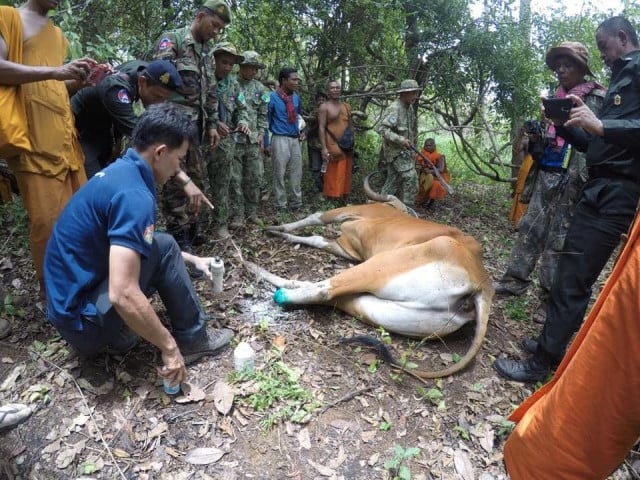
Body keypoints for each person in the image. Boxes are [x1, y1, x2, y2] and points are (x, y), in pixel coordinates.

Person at [43, 103, 234, 388]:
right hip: (83, 324)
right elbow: (122, 293)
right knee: (166, 244)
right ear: (160, 153)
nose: (177, 169)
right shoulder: (135, 195)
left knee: (163, 244)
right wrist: (169, 347)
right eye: (179, 159)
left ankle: (117, 333)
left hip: (70, 310)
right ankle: (194, 340)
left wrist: (192, 259)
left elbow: (136, 245)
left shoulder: (121, 171)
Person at [494, 18, 640, 383]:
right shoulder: (624, 75)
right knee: (569, 274)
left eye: (603, 46)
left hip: (617, 193)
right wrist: (563, 127)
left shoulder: (635, 72)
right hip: (598, 187)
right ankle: (551, 345)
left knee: (573, 278)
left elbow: (610, 132)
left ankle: (543, 363)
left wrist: (603, 125)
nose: (603, 55)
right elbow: (596, 145)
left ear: (623, 38)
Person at [493, 42, 606, 325]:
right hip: (547, 173)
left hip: (574, 179)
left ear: (581, 68)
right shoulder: (555, 98)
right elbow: (548, 139)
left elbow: (600, 142)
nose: (562, 70)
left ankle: (549, 298)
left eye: (568, 65)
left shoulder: (598, 99)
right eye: (559, 66)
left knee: (559, 239)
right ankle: (514, 280)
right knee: (531, 227)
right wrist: (536, 137)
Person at [0, 0, 95, 298]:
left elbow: (54, 86)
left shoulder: (57, 34)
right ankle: (51, 294)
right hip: (33, 140)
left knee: (82, 217)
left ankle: (85, 284)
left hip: (65, 140)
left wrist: (78, 82)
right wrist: (57, 71)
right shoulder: (8, 17)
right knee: (47, 224)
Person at [152, 0, 230, 253]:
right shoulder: (172, 40)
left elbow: (210, 92)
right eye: (214, 25)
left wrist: (211, 125)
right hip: (172, 127)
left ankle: (192, 229)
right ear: (199, 16)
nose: (216, 31)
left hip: (196, 128)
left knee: (196, 178)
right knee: (175, 182)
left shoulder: (207, 52)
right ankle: (179, 238)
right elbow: (158, 83)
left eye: (220, 29)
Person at [72, 60, 180, 177]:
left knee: (107, 160)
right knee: (92, 180)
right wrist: (182, 177)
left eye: (165, 99)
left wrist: (117, 143)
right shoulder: (116, 89)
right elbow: (141, 134)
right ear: (142, 81)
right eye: (157, 96)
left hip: (101, 123)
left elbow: (119, 112)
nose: (160, 103)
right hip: (78, 128)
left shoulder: (142, 69)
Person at [206, 42, 250, 237]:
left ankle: (220, 224)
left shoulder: (233, 85)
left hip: (225, 143)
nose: (226, 67)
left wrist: (242, 121)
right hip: (200, 140)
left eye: (230, 64)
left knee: (223, 184)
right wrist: (212, 123)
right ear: (213, 59)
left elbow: (243, 109)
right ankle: (196, 225)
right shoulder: (202, 79)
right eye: (223, 62)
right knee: (197, 183)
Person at [229, 50, 269, 227]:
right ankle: (237, 215)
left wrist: (261, 134)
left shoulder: (261, 89)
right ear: (242, 66)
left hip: (253, 140)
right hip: (234, 139)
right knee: (235, 178)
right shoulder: (230, 83)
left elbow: (263, 113)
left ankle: (251, 212)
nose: (254, 72)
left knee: (254, 177)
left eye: (256, 69)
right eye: (251, 68)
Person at [377, 79, 421, 206]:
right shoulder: (394, 108)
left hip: (404, 152)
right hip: (395, 152)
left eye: (416, 93)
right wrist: (401, 140)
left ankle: (380, 207)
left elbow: (411, 132)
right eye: (412, 93)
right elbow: (382, 129)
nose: (415, 96)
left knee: (393, 181)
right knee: (411, 177)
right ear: (404, 93)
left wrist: (413, 150)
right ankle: (407, 210)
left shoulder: (409, 109)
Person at [268, 67, 305, 212]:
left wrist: (303, 131)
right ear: (284, 81)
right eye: (294, 79)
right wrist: (265, 142)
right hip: (279, 139)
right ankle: (280, 205)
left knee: (297, 172)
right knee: (279, 173)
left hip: (295, 139)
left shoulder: (296, 97)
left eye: (297, 79)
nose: (297, 82)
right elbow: (266, 120)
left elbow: (299, 116)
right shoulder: (271, 97)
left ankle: (296, 203)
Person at [318, 80, 353, 202]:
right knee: (333, 173)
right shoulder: (324, 106)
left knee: (345, 172)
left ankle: (343, 197)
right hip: (332, 144)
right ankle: (332, 198)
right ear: (328, 91)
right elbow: (321, 127)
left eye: (337, 87)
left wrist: (352, 142)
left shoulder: (346, 106)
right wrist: (324, 148)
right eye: (332, 88)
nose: (335, 90)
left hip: (346, 145)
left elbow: (350, 125)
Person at [508, 120, 542, 228]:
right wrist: (520, 135)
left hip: (537, 168)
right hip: (526, 168)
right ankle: (517, 222)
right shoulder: (526, 141)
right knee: (521, 192)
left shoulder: (543, 138)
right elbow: (516, 150)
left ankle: (527, 221)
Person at [415, 138, 450, 207]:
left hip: (438, 177)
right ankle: (421, 201)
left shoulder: (440, 156)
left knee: (435, 184)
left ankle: (431, 203)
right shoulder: (421, 154)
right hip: (425, 175)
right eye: (426, 146)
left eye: (429, 146)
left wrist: (430, 171)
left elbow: (440, 170)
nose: (427, 147)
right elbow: (418, 166)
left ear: (434, 146)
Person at [305, 91, 328, 194]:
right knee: (315, 169)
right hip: (314, 146)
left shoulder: (331, 112)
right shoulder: (314, 113)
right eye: (319, 100)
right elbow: (308, 128)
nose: (321, 102)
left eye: (323, 100)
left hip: (328, 146)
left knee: (328, 169)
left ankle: (328, 190)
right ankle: (321, 189)